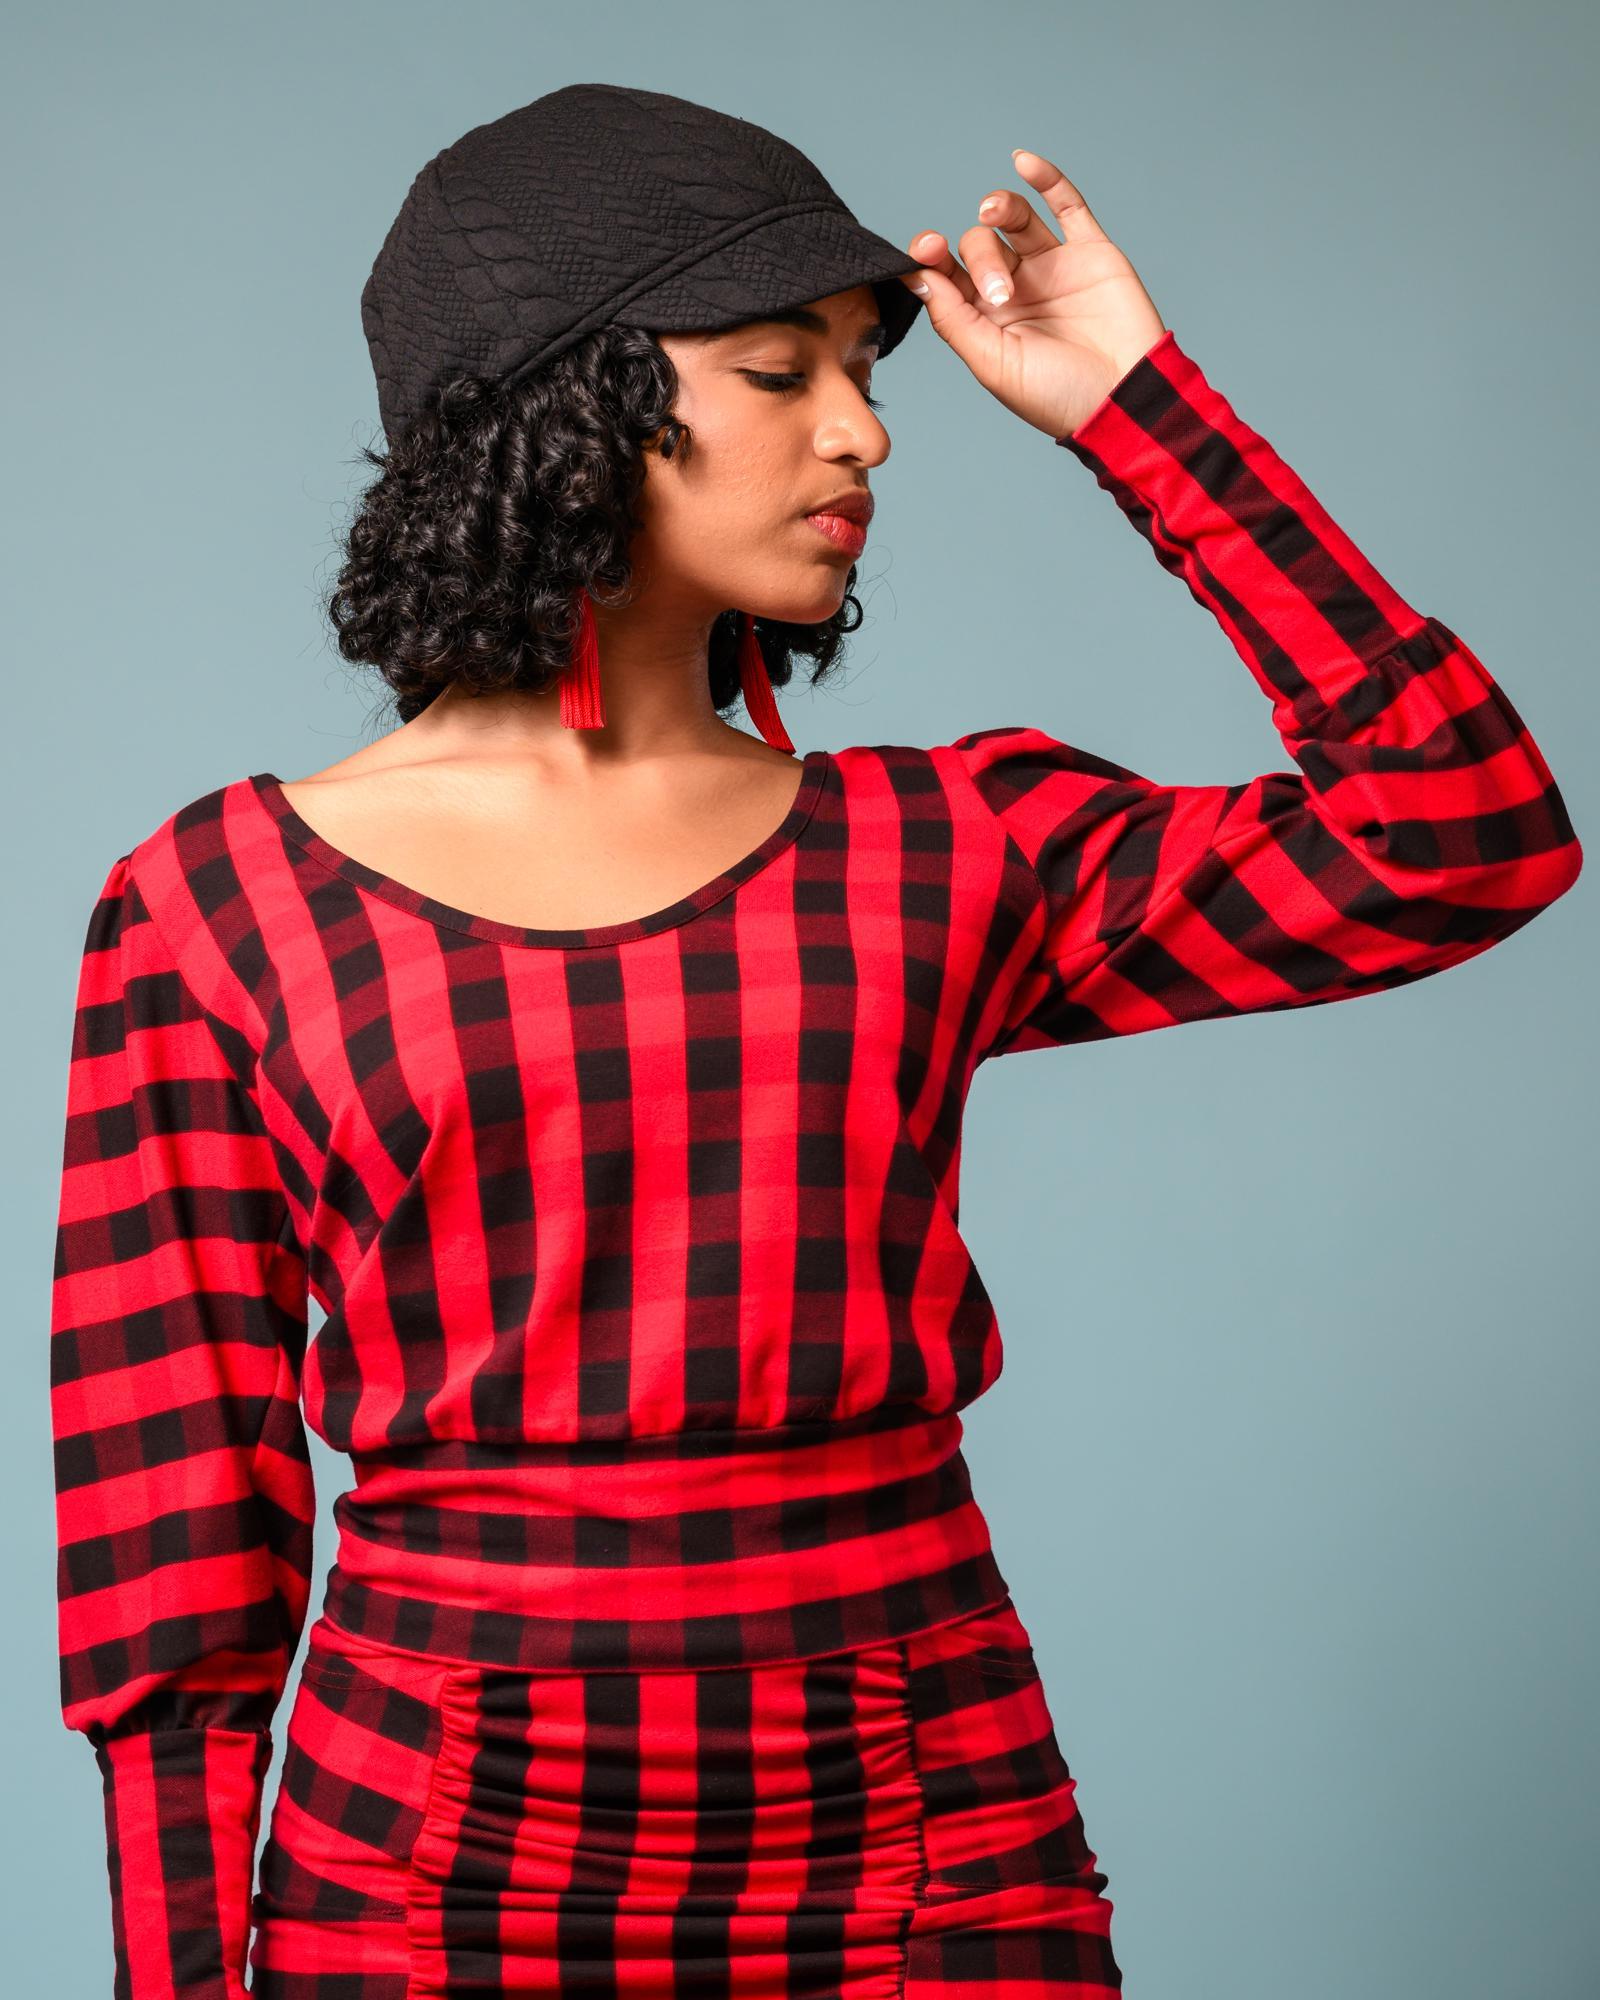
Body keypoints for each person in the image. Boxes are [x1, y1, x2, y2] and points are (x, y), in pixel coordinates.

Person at [48, 84, 1581, 2000]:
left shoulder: (942, 848)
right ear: (567, 410)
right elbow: (172, 1558)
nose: (865, 428)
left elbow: (1460, 831)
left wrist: (1139, 413)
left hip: (938, 1845)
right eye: (782, 371)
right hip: (429, 1875)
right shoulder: (216, 910)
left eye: (865, 366)